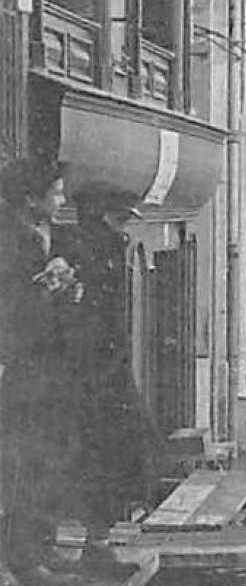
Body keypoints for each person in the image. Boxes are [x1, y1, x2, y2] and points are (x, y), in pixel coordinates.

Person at [0, 159, 87, 586]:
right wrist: (48, 290)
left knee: (46, 456)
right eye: (55, 193)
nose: (62, 199)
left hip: (45, 366)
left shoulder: (40, 235)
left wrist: (66, 289)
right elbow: (11, 313)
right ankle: (22, 560)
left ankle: (37, 548)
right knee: (23, 462)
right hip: (22, 369)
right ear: (31, 198)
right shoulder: (12, 240)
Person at [69, 186, 163, 566]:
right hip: (100, 372)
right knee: (108, 451)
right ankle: (99, 536)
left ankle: (101, 532)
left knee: (111, 450)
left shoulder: (99, 245)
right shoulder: (99, 249)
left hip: (105, 369)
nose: (124, 228)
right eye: (121, 218)